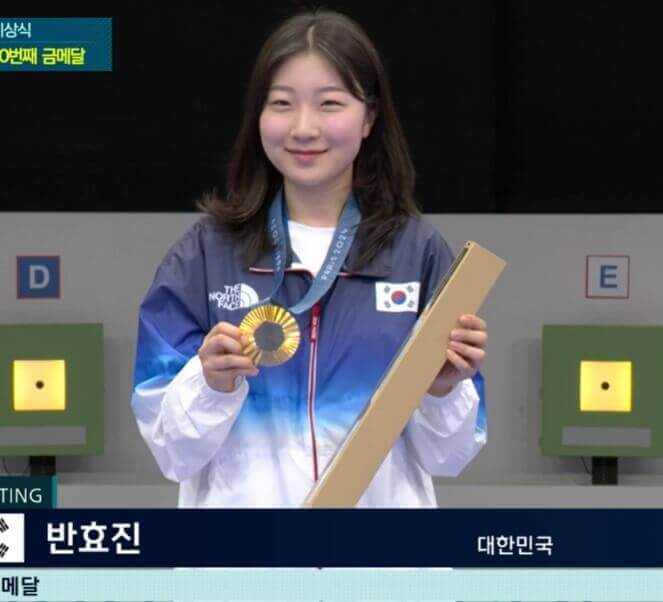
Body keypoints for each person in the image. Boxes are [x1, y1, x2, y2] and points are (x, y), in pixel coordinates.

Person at [131, 10, 488, 508]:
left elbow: (449, 457)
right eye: (281, 103)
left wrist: (442, 389)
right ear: (258, 116)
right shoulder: (205, 255)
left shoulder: (417, 253)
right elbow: (171, 452)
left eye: (329, 104)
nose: (303, 127)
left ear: (369, 117)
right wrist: (210, 384)